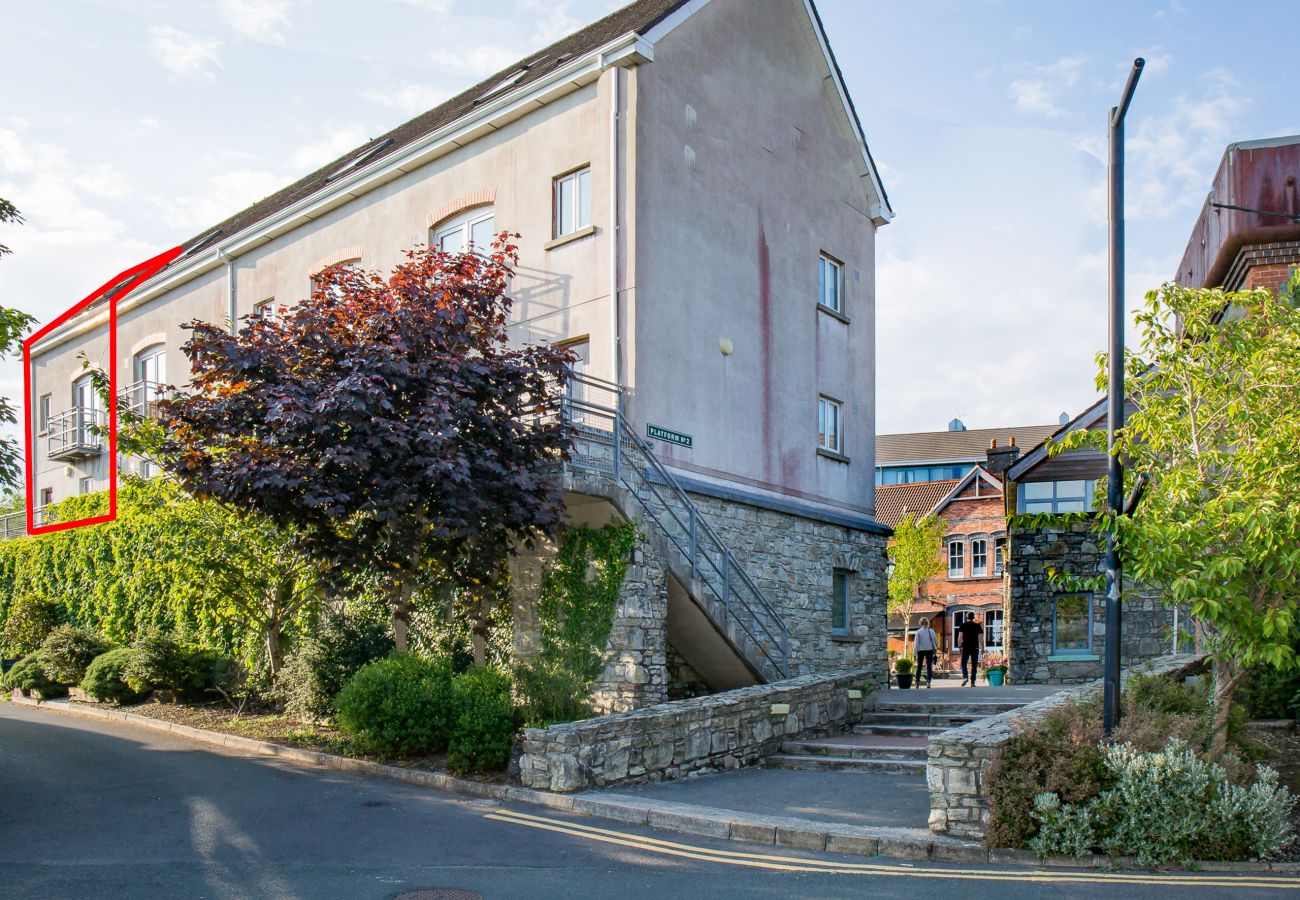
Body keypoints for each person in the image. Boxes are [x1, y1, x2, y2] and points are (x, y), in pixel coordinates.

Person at [957, 611, 984, 686]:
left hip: (965, 647)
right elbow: (981, 638)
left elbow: (960, 637)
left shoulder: (963, 625)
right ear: (973, 618)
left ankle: (965, 676)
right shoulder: (977, 626)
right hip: (975, 647)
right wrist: (982, 648)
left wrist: (959, 646)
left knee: (963, 663)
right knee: (974, 664)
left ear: (966, 617)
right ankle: (972, 682)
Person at [913, 618, 939, 688]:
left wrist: (915, 654)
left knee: (919, 667)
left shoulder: (918, 632)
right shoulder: (931, 631)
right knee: (929, 666)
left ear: (920, 623)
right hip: (929, 650)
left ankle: (917, 682)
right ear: (928, 623)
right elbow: (936, 641)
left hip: (920, 650)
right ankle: (928, 682)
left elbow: (916, 644)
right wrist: (935, 648)